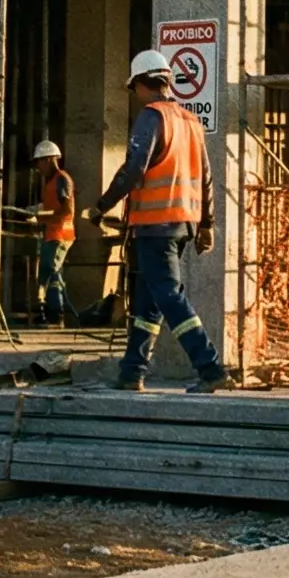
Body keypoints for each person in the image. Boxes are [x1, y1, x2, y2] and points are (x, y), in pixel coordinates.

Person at [86, 50, 231, 392]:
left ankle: (210, 367)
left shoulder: (151, 117)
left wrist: (102, 206)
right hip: (183, 224)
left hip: (156, 224)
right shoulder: (191, 121)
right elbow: (207, 177)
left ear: (141, 83)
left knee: (168, 295)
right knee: (148, 302)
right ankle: (132, 372)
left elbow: (134, 168)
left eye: (133, 87)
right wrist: (207, 224)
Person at [30, 139, 76, 326]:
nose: (38, 167)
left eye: (39, 162)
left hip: (60, 234)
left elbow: (67, 210)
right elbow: (53, 206)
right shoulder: (51, 182)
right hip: (52, 234)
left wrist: (41, 216)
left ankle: (55, 314)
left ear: (48, 159)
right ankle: (53, 312)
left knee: (51, 273)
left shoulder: (61, 179)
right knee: (50, 273)